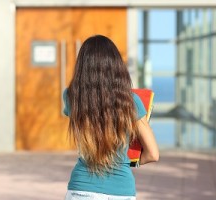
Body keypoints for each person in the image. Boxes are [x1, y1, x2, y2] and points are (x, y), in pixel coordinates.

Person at [63, 35, 159, 200]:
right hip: (121, 190)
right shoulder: (130, 102)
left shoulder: (71, 96)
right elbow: (153, 154)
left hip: (81, 188)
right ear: (116, 66)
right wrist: (125, 164)